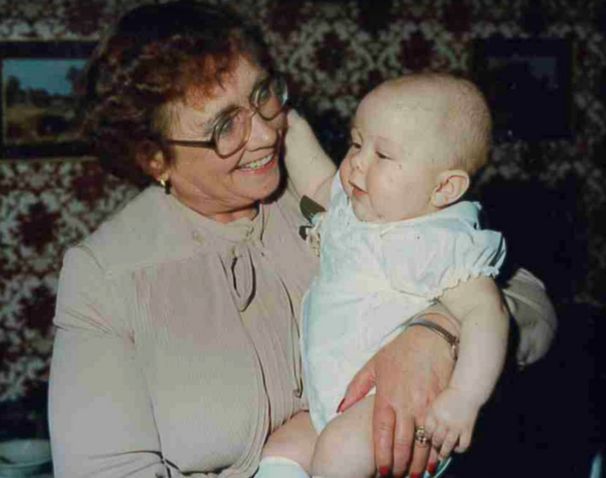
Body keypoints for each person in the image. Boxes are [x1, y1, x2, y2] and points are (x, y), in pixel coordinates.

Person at [48, 3, 557, 477]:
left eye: (263, 96)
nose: (267, 135)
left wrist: (437, 334)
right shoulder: (107, 277)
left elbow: (530, 299)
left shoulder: (351, 196)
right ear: (153, 157)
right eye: (226, 126)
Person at [260, 74, 508, 478]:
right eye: (357, 143)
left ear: (444, 188)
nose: (357, 161)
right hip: (334, 404)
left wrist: (464, 397)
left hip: (394, 412)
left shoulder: (436, 241)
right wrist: (287, 119)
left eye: (384, 155)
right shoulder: (355, 212)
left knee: (337, 454)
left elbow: (488, 313)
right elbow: (318, 178)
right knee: (283, 449)